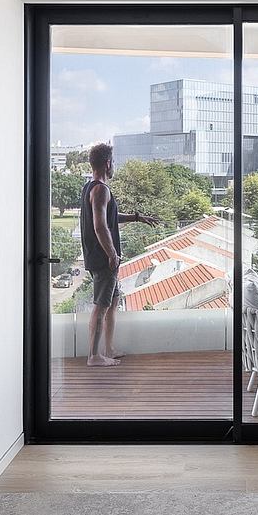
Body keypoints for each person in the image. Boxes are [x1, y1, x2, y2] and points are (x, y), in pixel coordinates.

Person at [79, 143, 159, 366]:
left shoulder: (92, 187)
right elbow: (100, 226)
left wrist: (136, 217)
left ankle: (108, 349)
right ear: (107, 163)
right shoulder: (101, 189)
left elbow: (110, 217)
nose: (114, 165)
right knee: (101, 305)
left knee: (112, 302)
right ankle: (94, 356)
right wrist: (112, 254)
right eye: (113, 162)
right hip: (104, 258)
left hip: (102, 256)